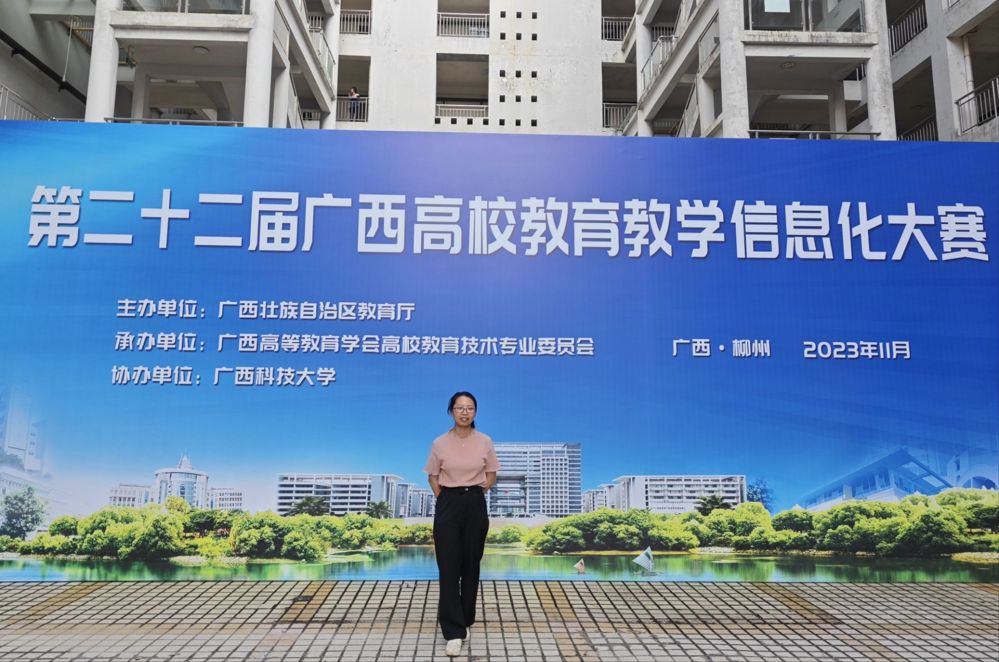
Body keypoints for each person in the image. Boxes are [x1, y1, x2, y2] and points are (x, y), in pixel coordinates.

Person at [423, 391, 499, 657]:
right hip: (448, 503)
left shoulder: (485, 441)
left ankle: (465, 618)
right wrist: (447, 497)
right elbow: (433, 476)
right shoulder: (440, 443)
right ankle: (453, 632)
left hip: (475, 503)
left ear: (475, 412)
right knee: (448, 566)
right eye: (459, 408)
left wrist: (474, 492)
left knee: (470, 564)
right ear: (451, 411)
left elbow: (491, 475)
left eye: (469, 408)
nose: (464, 412)